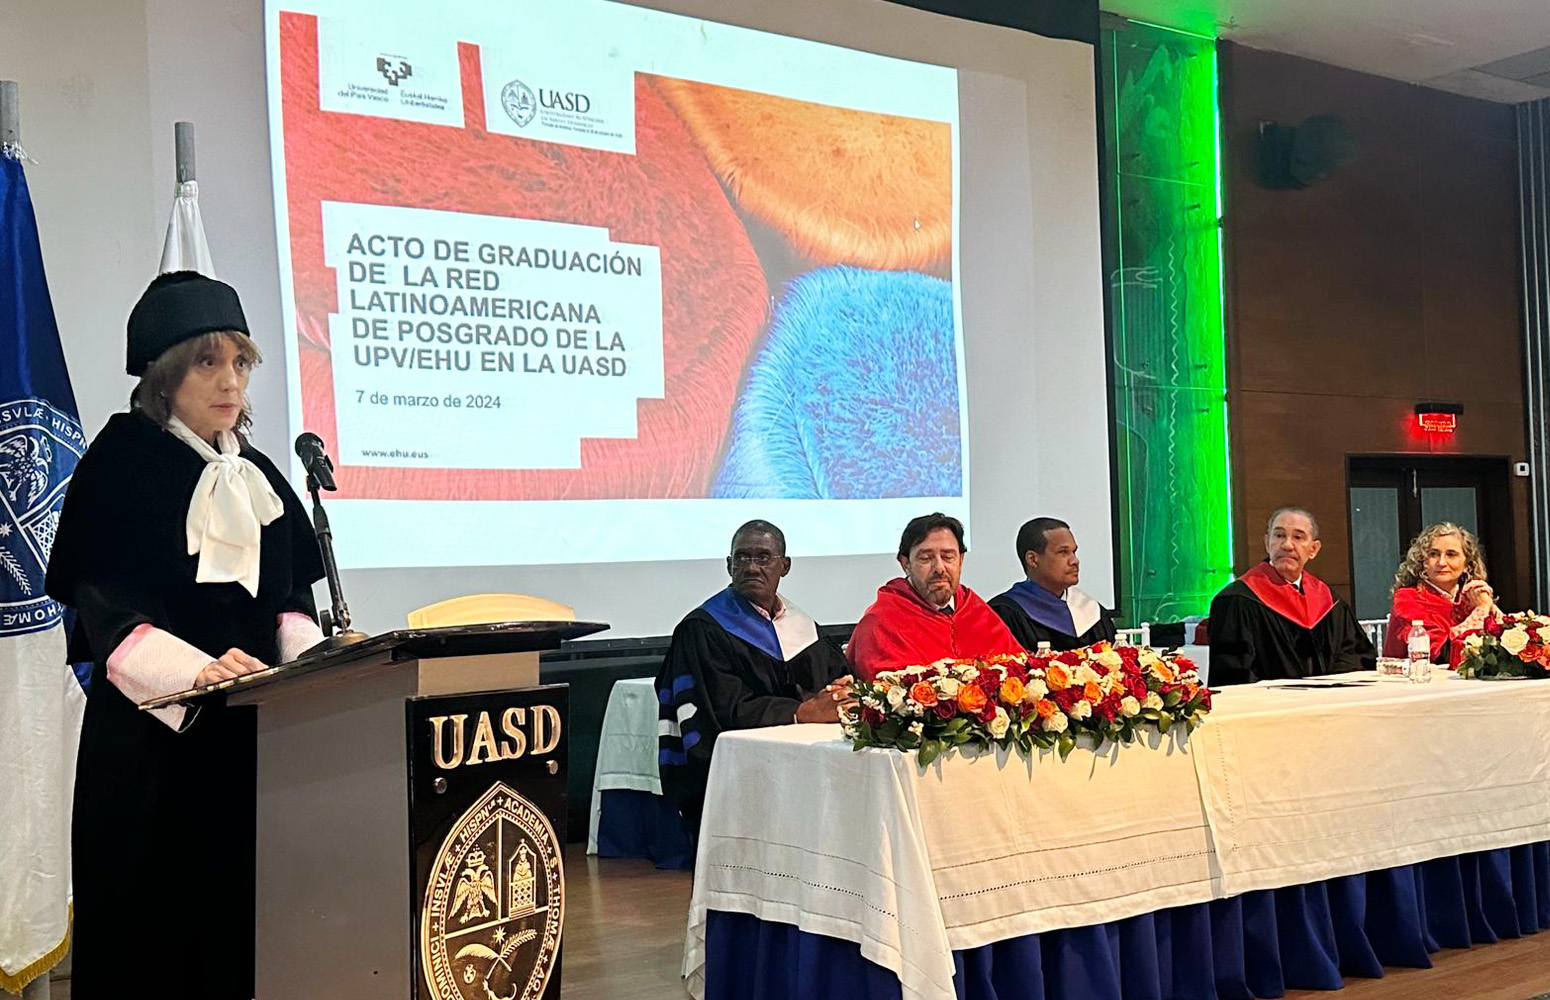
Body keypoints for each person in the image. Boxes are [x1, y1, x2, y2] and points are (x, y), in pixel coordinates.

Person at [44, 271, 325, 1000]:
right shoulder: (121, 464)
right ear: (165, 376)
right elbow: (106, 611)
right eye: (208, 362)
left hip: (254, 750)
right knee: (155, 953)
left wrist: (310, 663)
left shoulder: (258, 472)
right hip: (150, 761)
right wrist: (197, 670)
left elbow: (289, 596)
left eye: (239, 362)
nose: (230, 381)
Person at [655, 520, 851, 831]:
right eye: (742, 558)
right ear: (729, 565)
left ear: (784, 566)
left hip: (806, 778)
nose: (751, 567)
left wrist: (842, 692)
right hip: (735, 783)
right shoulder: (703, 630)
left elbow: (836, 679)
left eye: (763, 558)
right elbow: (719, 708)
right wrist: (800, 713)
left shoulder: (803, 628)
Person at [1207, 507, 1373, 685]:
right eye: (1279, 536)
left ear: (1313, 549)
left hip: (1326, 706)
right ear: (1267, 543)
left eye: (1298, 537)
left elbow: (1355, 658)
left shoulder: (1330, 602)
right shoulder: (1237, 600)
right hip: (1270, 708)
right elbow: (1234, 674)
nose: (1287, 545)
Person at [847, 512, 1022, 680]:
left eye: (948, 557)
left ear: (961, 560)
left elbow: (1019, 668)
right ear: (905, 563)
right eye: (926, 558)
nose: (939, 568)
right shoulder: (881, 622)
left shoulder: (976, 610)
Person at [989, 517, 1117, 651]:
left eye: (1074, 552)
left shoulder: (1092, 612)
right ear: (1032, 559)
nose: (1075, 561)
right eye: (1063, 552)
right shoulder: (1004, 614)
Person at [1383, 522, 1500, 668]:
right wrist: (1481, 610)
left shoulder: (1470, 596)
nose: (1442, 562)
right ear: (1422, 562)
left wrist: (1488, 604)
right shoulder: (1407, 598)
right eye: (1433, 554)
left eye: (1451, 554)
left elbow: (1505, 643)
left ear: (1467, 565)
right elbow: (1439, 654)